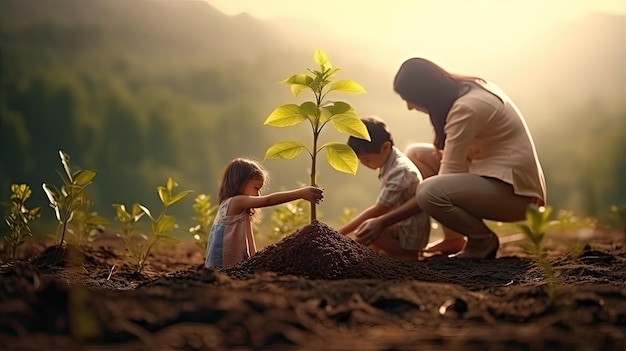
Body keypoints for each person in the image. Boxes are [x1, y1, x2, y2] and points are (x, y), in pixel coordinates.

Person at [355, 58, 546, 259]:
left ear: (426, 94)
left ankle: (482, 240)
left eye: (410, 99)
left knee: (429, 192)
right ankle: (453, 238)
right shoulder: (467, 91)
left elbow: (438, 186)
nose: (410, 107)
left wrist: (382, 222)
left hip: (516, 194)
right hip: (491, 175)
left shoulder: (467, 107)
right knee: (416, 155)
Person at [338, 116, 430, 262]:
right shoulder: (390, 162)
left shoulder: (400, 171)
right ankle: (380, 254)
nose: (364, 164)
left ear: (386, 147)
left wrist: (340, 233)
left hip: (409, 234)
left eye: (366, 159)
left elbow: (380, 209)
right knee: (367, 235)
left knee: (367, 229)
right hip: (399, 226)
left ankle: (405, 255)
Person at [205, 158, 324, 268]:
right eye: (256, 188)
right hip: (220, 267)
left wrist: (254, 260)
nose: (258, 194)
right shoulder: (235, 202)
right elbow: (268, 200)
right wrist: (301, 193)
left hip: (231, 268)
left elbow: (249, 239)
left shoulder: (237, 208)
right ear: (240, 182)